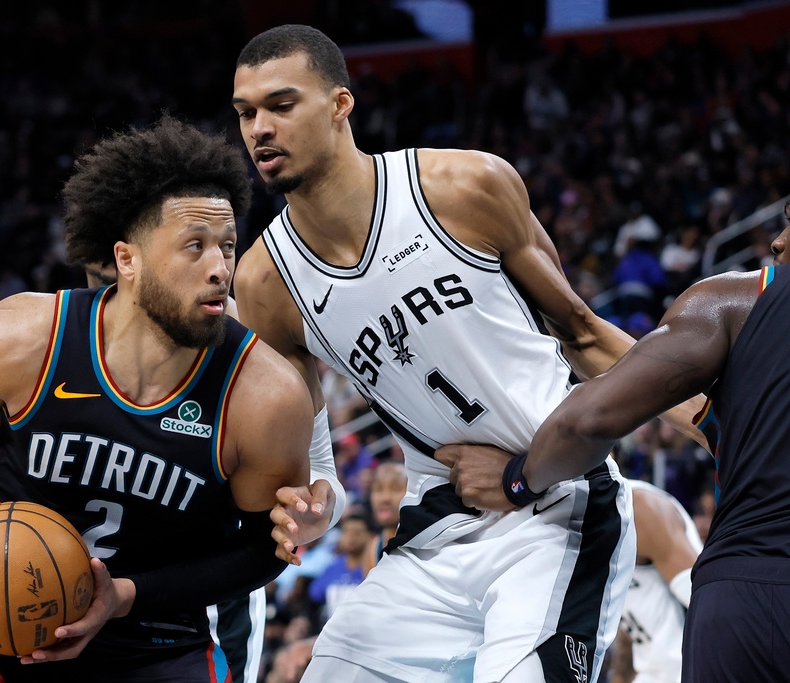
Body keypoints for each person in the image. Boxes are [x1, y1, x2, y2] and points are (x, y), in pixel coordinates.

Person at [230, 24, 706, 682]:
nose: (260, 129)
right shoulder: (263, 283)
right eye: (246, 113)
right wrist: (323, 504)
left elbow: (585, 331)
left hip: (558, 506)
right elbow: (316, 451)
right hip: (437, 527)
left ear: (341, 105)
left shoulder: (462, 187)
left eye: (280, 106)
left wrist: (714, 422)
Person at [0, 115, 315, 682]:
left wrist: (123, 595)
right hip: (6, 627)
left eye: (227, 246)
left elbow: (264, 550)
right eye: (194, 247)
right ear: (127, 259)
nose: (221, 268)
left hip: (159, 638)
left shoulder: (263, 395)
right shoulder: (30, 337)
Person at [443, 212, 790, 681]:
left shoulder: (740, 301)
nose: (777, 241)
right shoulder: (746, 397)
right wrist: (572, 321)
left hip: (752, 588)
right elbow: (671, 397)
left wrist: (517, 479)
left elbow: (588, 418)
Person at [83, 259, 346, 683]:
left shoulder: (256, 338)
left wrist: (317, 511)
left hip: (204, 609)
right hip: (72, 590)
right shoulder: (59, 332)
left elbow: (323, 475)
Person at [612, 479, 701, 683]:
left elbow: (712, 605)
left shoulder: (640, 510)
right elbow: (630, 625)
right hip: (650, 672)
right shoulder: (569, 528)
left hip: (690, 670)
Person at [362, 461, 407, 577]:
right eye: (378, 489)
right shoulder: (373, 547)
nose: (385, 498)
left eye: (396, 489)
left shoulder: (428, 543)